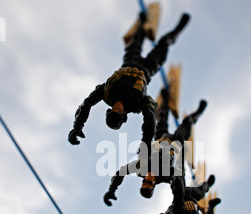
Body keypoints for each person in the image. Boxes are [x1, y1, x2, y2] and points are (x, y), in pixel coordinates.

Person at [68, 11, 190, 150]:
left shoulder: (108, 94)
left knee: (137, 39)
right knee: (164, 43)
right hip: (148, 68)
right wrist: (145, 146)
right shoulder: (136, 104)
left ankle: (142, 23)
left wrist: (77, 127)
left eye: (113, 111)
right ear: (123, 116)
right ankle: (178, 28)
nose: (117, 108)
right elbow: (150, 123)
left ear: (109, 111)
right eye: (118, 112)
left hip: (129, 60)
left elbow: (87, 103)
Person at [103, 87, 207, 207]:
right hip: (174, 142)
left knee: (162, 116)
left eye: (144, 180)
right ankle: (198, 112)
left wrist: (112, 189)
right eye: (149, 181)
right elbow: (180, 183)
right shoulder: (166, 175)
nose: (147, 177)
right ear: (153, 185)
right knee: (187, 122)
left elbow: (121, 172)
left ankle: (166, 98)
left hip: (159, 139)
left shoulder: (141, 169)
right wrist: (202, 188)